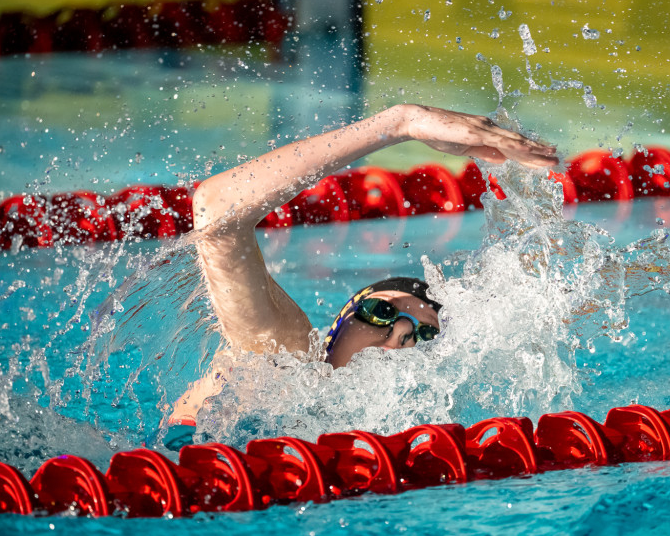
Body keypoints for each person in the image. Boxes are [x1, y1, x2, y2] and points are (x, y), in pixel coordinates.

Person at [168, 104, 558, 426]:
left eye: (424, 336)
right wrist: (401, 122)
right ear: (341, 319)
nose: (401, 332)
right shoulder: (286, 360)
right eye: (382, 311)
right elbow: (216, 211)